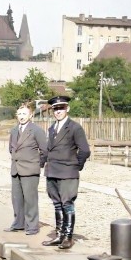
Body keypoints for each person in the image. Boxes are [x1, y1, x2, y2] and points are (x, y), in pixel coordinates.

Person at [42, 95, 91, 250]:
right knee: (57, 204)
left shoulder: (75, 128)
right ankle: (59, 235)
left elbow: (85, 150)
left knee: (67, 204)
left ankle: (68, 237)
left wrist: (76, 166)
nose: (58, 111)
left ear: (67, 109)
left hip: (67, 172)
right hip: (52, 171)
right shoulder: (51, 129)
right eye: (55, 109)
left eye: (61, 108)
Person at [4, 102, 47, 235]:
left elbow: (44, 150)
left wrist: (37, 164)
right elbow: (11, 148)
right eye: (20, 114)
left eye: (24, 114)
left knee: (30, 199)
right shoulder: (14, 130)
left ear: (31, 115)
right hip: (16, 169)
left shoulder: (36, 130)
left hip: (30, 169)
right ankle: (18, 223)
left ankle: (32, 226)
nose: (22, 117)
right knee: (16, 198)